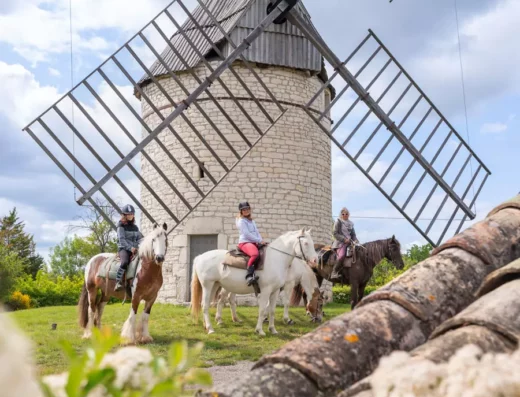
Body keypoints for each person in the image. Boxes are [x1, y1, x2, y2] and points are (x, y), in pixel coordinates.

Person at [236, 202, 266, 286]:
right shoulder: (241, 221)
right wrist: (258, 240)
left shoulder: (252, 221)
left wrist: (261, 240)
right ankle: (249, 276)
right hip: (245, 242)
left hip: (254, 242)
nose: (246, 211)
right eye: (244, 209)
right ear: (241, 211)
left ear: (250, 209)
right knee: (255, 254)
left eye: (247, 209)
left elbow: (256, 232)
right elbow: (247, 234)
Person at [115, 204, 144, 291]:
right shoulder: (120, 226)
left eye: (132, 214)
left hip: (135, 249)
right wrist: (130, 248)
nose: (130, 215)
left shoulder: (135, 227)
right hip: (124, 249)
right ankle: (118, 282)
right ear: (124, 215)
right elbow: (122, 240)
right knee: (124, 262)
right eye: (128, 214)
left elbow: (140, 238)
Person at [330, 207, 359, 280]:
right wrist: (344, 239)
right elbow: (335, 233)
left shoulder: (351, 223)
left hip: (350, 243)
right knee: (342, 255)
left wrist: (355, 240)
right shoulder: (338, 222)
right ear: (341, 214)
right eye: (343, 214)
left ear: (348, 214)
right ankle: (334, 272)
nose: (345, 215)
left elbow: (353, 234)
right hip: (340, 243)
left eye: (346, 214)